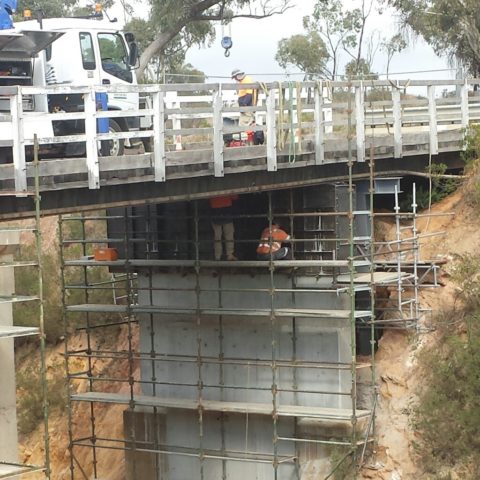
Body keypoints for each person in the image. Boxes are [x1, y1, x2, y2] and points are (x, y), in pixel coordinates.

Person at [210, 195, 238, 261]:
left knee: (217, 237)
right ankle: (229, 255)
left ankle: (217, 256)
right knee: (229, 235)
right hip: (227, 211)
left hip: (215, 211)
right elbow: (235, 197)